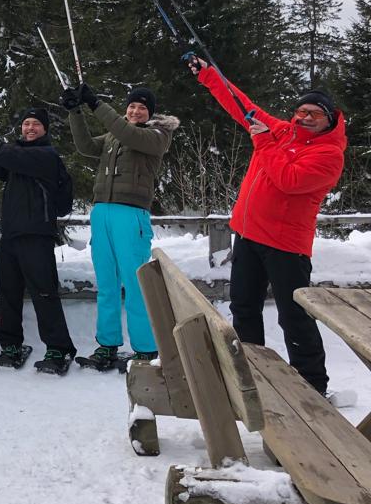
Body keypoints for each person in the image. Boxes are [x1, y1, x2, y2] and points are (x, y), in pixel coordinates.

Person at [190, 59, 345, 394]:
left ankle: (313, 386)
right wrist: (208, 73)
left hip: (286, 246)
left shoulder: (329, 154)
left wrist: (263, 142)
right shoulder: (282, 131)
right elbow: (242, 106)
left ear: (329, 120)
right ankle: (252, 374)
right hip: (248, 236)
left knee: (294, 316)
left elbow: (289, 180)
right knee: (243, 307)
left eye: (314, 113)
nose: (305, 117)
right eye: (301, 111)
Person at [63, 82, 178, 371]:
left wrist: (95, 104)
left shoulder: (157, 135)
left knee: (136, 284)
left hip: (131, 214)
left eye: (142, 108)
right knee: (107, 284)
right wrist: (75, 111)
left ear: (150, 113)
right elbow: (86, 146)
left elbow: (128, 133)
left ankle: (146, 349)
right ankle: (107, 344)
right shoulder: (115, 135)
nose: (135, 111)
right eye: (132, 106)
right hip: (102, 212)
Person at [0, 107, 78, 374]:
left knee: (44, 293)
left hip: (36, 235)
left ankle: (58, 348)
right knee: (8, 293)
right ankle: (10, 345)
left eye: (35, 124)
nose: (30, 128)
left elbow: (5, 154)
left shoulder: (46, 155)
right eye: (26, 123)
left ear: (44, 129)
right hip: (11, 235)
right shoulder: (20, 157)